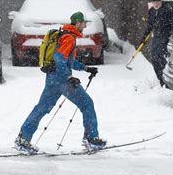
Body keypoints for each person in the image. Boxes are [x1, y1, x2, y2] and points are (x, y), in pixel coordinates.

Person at [15, 11, 106, 153]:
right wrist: (68, 77)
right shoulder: (69, 38)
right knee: (87, 103)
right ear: (77, 23)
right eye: (83, 23)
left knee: (42, 108)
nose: (84, 26)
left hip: (52, 78)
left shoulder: (65, 35)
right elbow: (59, 57)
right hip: (62, 79)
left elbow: (69, 61)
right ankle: (91, 139)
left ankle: (23, 139)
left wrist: (86, 68)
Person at [139, 0, 173, 87]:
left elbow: (172, 24)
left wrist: (171, 35)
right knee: (154, 58)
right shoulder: (151, 11)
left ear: (161, 2)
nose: (156, 4)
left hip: (165, 36)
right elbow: (149, 26)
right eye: (154, 2)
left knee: (161, 57)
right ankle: (161, 79)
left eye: (157, 2)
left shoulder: (167, 10)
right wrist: (144, 38)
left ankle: (166, 81)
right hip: (156, 37)